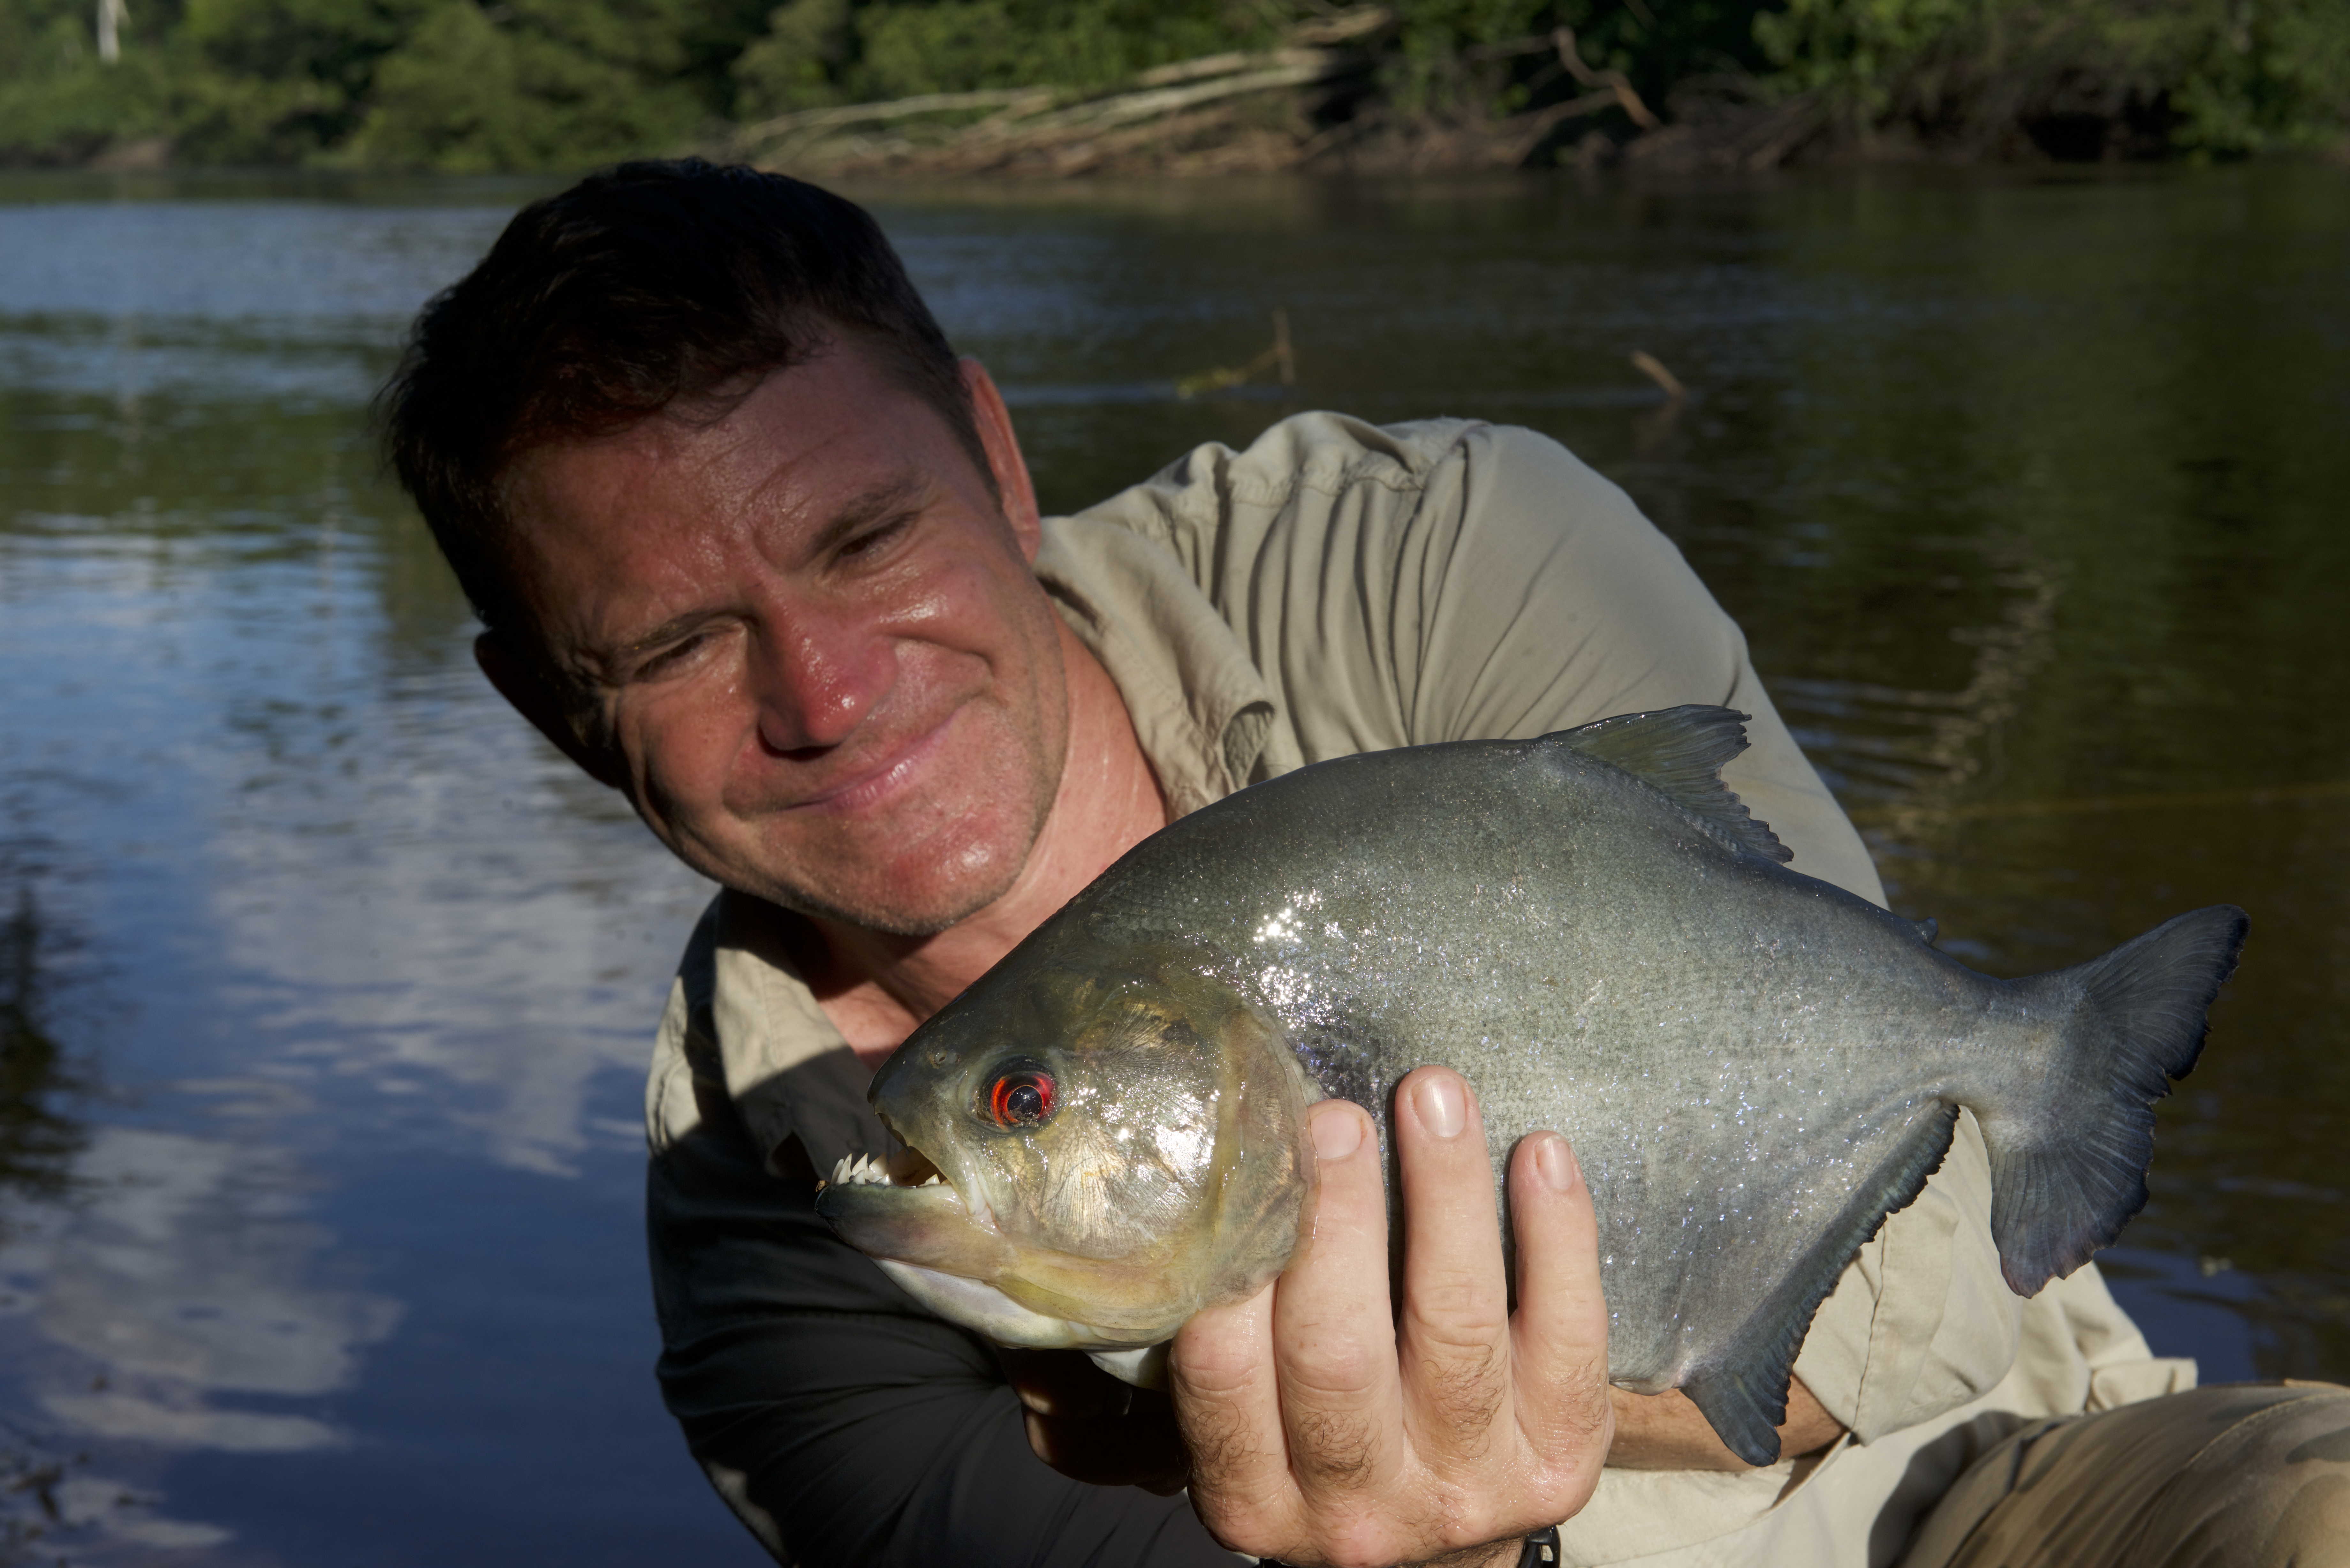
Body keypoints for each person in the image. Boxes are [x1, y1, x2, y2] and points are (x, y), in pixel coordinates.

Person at [379, 158, 2350, 1568]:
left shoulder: (1435, 558)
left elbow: (1952, 1301)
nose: (824, 691)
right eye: (670, 647)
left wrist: (1488, 1389)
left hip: (2001, 1491)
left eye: (863, 540)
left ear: (993, 451)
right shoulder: (779, 1254)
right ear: (554, 707)